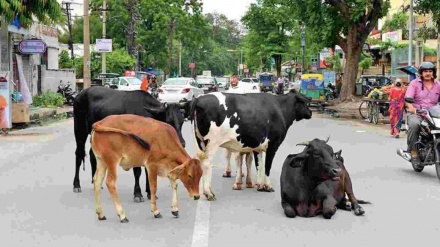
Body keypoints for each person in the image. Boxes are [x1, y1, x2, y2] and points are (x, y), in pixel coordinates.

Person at [398, 61, 440, 165]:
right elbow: (408, 99)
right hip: (418, 113)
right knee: (414, 124)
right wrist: (412, 109)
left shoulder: (438, 84)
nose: (428, 73)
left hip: (434, 114)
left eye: (430, 71)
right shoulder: (414, 83)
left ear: (433, 73)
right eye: (425, 71)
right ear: (421, 72)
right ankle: (413, 152)